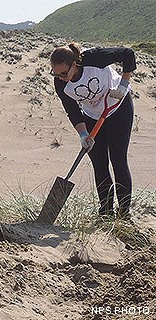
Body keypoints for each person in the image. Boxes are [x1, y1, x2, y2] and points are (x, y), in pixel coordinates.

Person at [50, 44, 136, 219]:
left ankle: (124, 214)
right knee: (99, 164)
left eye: (63, 74)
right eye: (55, 74)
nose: (60, 78)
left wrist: (123, 84)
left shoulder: (94, 58)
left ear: (74, 64)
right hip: (92, 116)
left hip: (118, 107)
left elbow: (128, 54)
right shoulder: (61, 83)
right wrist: (83, 134)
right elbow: (72, 110)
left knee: (118, 161)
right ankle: (105, 213)